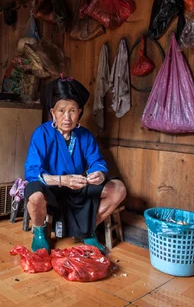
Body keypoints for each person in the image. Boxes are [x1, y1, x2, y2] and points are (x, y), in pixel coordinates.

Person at [24, 76, 127, 253]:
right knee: (34, 195)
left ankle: (86, 229)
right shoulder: (42, 134)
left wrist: (98, 174)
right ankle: (40, 234)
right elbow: (33, 172)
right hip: (52, 188)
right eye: (61, 111)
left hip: (78, 187)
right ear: (53, 113)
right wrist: (62, 180)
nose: (67, 117)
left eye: (72, 111)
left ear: (79, 112)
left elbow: (97, 162)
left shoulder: (85, 136)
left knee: (118, 189)